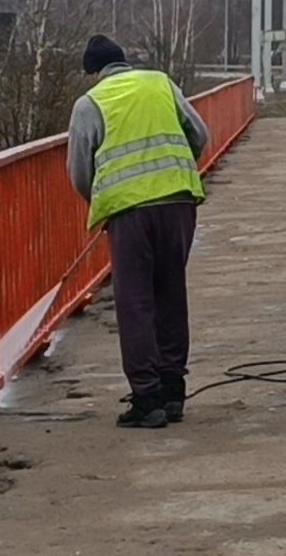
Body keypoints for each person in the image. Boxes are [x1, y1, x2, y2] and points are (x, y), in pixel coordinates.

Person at [66, 35, 211, 429]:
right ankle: (172, 390)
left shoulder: (90, 103)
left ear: (94, 72)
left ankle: (147, 401)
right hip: (179, 203)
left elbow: (79, 170)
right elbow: (199, 134)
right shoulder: (161, 82)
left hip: (131, 213)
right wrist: (175, 169)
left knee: (135, 304)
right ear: (124, 63)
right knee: (170, 292)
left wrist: (101, 198)